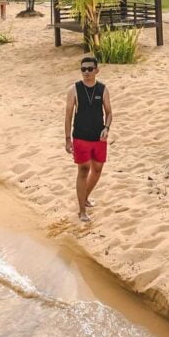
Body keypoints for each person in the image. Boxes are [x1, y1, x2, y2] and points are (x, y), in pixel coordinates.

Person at [64, 55, 112, 223]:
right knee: (83, 170)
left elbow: (109, 113)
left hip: (99, 138)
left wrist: (106, 128)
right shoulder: (74, 89)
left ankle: (85, 197)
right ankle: (81, 211)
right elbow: (68, 115)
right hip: (80, 137)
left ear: (96, 70)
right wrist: (67, 139)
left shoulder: (103, 89)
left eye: (90, 69)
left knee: (97, 169)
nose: (86, 72)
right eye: (83, 69)